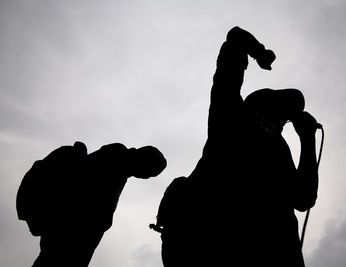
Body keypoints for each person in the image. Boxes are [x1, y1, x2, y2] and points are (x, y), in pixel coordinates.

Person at [156, 26, 319, 267]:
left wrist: (307, 139)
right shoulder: (232, 113)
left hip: (268, 247)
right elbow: (234, 40)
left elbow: (303, 198)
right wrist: (258, 51)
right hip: (216, 241)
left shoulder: (279, 148)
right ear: (259, 102)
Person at [17, 141, 167, 267]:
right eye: (149, 171)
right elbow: (93, 199)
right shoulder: (115, 158)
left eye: (150, 176)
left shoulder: (121, 168)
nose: (146, 177)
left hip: (74, 229)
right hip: (70, 226)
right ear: (143, 159)